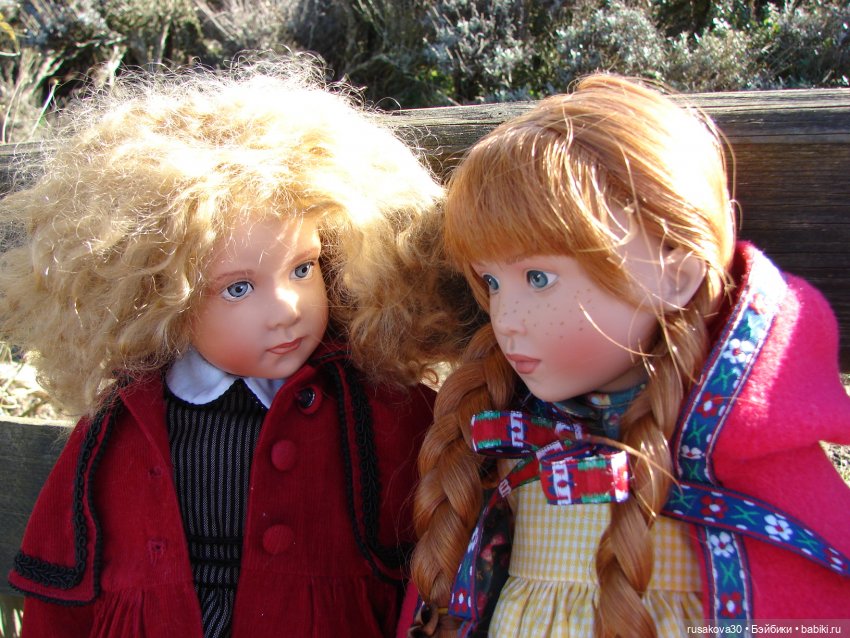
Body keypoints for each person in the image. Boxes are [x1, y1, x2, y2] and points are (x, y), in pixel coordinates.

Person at [0, 54, 445, 638]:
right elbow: (61, 583)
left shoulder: (375, 410)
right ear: (162, 299)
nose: (287, 308)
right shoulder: (123, 424)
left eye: (303, 269)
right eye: (238, 288)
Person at [404, 74, 850, 637]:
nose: (505, 317)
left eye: (538, 278)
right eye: (491, 283)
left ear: (676, 275)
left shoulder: (749, 469)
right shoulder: (507, 447)